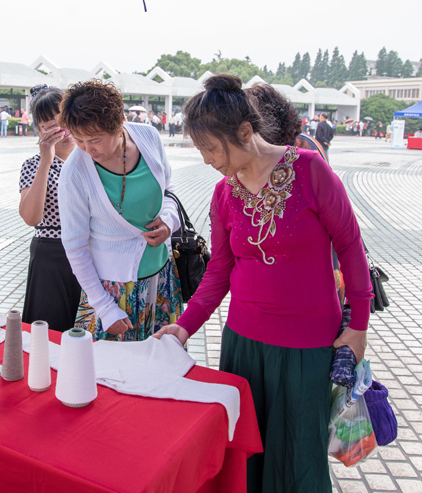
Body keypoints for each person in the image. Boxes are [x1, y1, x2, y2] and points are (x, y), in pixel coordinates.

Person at [154, 74, 372, 493]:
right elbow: (219, 270)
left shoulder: (310, 170)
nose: (206, 160)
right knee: (245, 455)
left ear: (244, 132)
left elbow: (350, 246)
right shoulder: (224, 193)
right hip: (244, 344)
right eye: (200, 150)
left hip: (308, 345)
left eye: (211, 148)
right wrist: (184, 326)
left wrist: (358, 325)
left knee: (299, 454)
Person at [57, 80, 183, 341]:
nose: (87, 149)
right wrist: (104, 307)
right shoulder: (74, 173)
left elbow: (168, 190)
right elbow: (75, 246)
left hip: (161, 275)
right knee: (114, 363)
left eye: (95, 140)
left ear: (119, 124)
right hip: (111, 291)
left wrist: (169, 221)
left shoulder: (148, 137)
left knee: (160, 358)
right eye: (78, 139)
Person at [18, 85, 81, 332]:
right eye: (52, 125)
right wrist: (46, 160)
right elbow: (31, 218)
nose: (63, 130)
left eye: (65, 120)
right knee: (49, 334)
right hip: (50, 256)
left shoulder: (91, 157)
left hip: (89, 251)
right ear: (39, 129)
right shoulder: (32, 165)